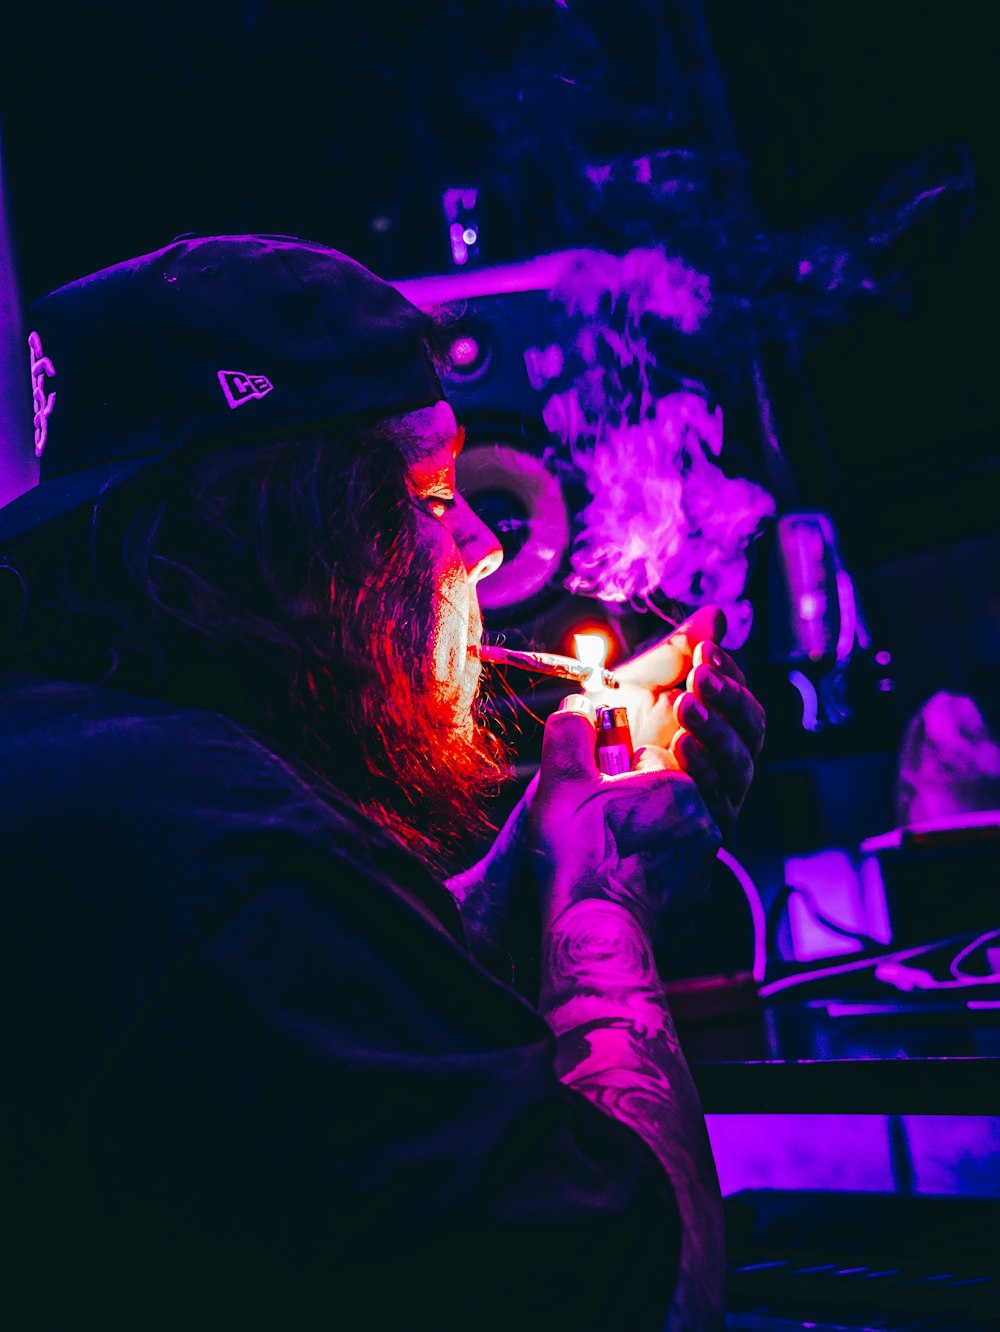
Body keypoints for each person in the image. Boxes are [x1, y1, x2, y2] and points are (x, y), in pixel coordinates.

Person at [0, 235, 765, 1331]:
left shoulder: (111, 784)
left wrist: (535, 871)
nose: (480, 548)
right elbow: (652, 1300)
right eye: (430, 487)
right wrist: (604, 910)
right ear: (290, 532)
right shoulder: (234, 855)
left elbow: (303, 1023)